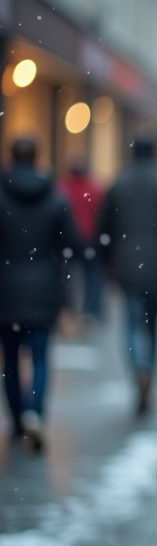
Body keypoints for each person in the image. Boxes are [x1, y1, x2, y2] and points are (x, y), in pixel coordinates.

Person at [97, 137, 157, 414]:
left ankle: (140, 369)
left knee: (133, 323)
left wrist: (106, 262)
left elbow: (105, 228)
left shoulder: (118, 184)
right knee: (154, 326)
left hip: (127, 265)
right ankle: (151, 376)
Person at [0, 137, 80, 449]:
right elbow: (70, 246)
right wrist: (68, 297)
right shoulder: (56, 198)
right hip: (44, 287)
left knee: (9, 361)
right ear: (37, 157)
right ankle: (35, 414)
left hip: (5, 290)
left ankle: (17, 419)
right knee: (40, 357)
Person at [59, 156, 106, 325]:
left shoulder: (62, 188)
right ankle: (89, 311)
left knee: (67, 276)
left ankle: (69, 308)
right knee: (92, 276)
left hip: (69, 239)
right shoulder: (94, 188)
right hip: (89, 238)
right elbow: (100, 214)